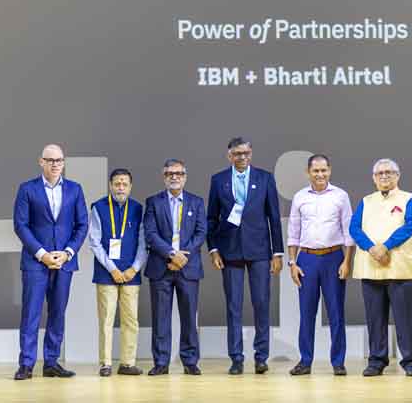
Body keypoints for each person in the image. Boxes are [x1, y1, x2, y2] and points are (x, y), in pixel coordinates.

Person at [206, 137, 284, 375]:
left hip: (259, 251)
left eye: (246, 153)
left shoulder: (265, 178)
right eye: (238, 154)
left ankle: (261, 357)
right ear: (229, 156)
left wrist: (277, 252)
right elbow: (211, 218)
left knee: (261, 303)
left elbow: (274, 217)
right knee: (233, 306)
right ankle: (236, 358)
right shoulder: (218, 180)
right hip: (229, 251)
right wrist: (213, 249)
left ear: (251, 153)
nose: (242, 157)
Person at [12, 144, 88, 380]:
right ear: (41, 162)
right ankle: (26, 364)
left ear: (63, 162)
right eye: (51, 160)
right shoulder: (27, 189)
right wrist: (42, 254)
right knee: (31, 313)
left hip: (64, 262)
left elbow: (82, 225)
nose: (55, 164)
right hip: (36, 262)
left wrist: (67, 253)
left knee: (57, 313)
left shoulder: (75, 189)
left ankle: (51, 362)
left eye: (59, 160)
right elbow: (21, 225)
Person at [349, 158, 412, 377]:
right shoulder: (366, 201)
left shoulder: (408, 199)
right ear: (373, 178)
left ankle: (410, 362)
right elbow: (354, 227)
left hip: (401, 268)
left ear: (397, 176)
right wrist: (371, 248)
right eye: (380, 173)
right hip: (371, 267)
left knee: (406, 319)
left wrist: (386, 246)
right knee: (375, 319)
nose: (384, 176)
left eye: (389, 172)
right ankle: (376, 361)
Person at [286, 154, 355, 376]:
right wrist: (292, 263)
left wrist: (347, 261)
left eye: (323, 170)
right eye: (315, 171)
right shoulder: (299, 197)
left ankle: (338, 362)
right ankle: (305, 361)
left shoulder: (341, 196)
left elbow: (349, 232)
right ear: (308, 172)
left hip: (334, 258)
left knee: (336, 313)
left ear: (330, 171)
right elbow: (293, 232)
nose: (320, 174)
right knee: (306, 313)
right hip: (306, 259)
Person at [143, 159, 206, 376]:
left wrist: (182, 256)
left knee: (189, 317)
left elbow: (201, 232)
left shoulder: (196, 202)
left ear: (185, 177)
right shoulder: (153, 202)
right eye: (170, 173)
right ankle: (161, 362)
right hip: (161, 266)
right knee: (160, 317)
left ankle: (190, 361)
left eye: (178, 173)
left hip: (188, 266)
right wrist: (171, 254)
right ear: (164, 177)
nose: (174, 177)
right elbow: (150, 233)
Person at [87, 168, 147, 377]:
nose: (121, 187)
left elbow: (143, 243)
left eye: (124, 184)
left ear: (130, 187)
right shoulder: (98, 207)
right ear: (110, 185)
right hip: (107, 274)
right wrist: (112, 268)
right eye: (117, 184)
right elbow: (94, 242)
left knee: (131, 320)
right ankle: (105, 363)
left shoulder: (138, 209)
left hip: (131, 273)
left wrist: (135, 268)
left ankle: (127, 363)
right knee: (106, 320)